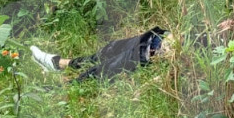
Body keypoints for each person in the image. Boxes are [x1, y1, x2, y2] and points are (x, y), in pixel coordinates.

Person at [29, 27, 168, 81]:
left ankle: (57, 86)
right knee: (110, 49)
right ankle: (59, 63)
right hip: (158, 38)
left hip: (153, 56)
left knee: (101, 72)